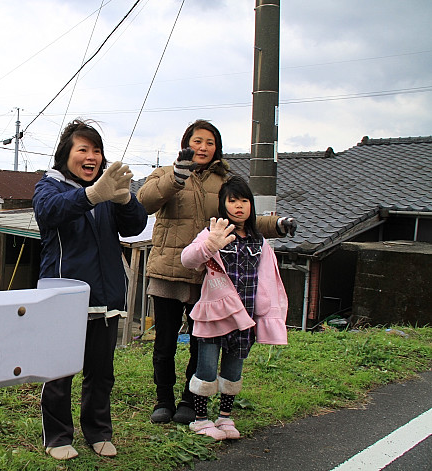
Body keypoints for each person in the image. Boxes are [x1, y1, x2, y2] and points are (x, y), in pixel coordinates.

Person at [137, 119, 295, 425]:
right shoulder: (165, 174)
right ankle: (163, 399)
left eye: (209, 143)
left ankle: (188, 399)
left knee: (202, 341)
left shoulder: (223, 181)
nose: (203, 148)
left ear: (217, 148)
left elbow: (241, 215)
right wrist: (178, 177)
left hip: (207, 274)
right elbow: (144, 202)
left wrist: (273, 225)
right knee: (165, 340)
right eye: (198, 141)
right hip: (168, 271)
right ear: (186, 143)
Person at [33, 119, 148, 460]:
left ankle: (98, 432)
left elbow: (136, 225)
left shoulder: (108, 188)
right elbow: (49, 212)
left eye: (96, 150)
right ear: (65, 155)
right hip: (64, 295)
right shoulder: (49, 185)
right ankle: (57, 437)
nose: (91, 156)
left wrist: (125, 198)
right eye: (82, 149)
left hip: (107, 295)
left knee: (101, 372)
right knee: (59, 370)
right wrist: (91, 195)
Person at [180, 176, 289, 440]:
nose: (239, 206)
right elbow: (187, 259)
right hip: (214, 314)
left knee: (233, 370)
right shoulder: (213, 233)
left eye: (244, 200)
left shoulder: (259, 241)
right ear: (222, 204)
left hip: (245, 316)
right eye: (232, 200)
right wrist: (210, 244)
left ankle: (225, 418)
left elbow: (268, 281)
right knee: (205, 368)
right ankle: (200, 419)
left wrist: (266, 316)